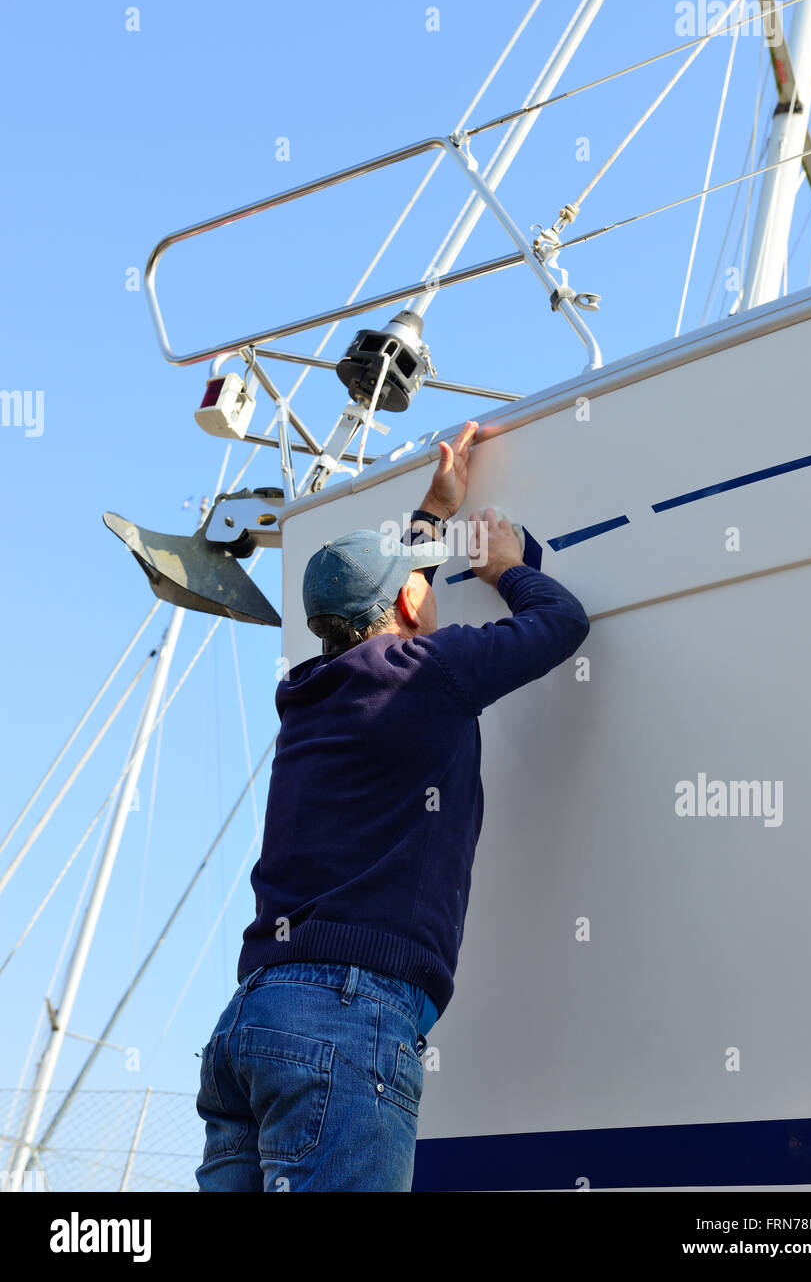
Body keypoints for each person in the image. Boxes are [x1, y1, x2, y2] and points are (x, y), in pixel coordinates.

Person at [195, 419, 590, 1191]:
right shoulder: (429, 671)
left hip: (252, 1021)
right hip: (346, 1018)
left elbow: (380, 614)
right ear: (412, 599)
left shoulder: (308, 695)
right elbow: (560, 624)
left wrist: (431, 517)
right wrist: (506, 569)